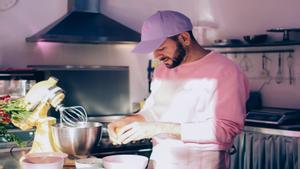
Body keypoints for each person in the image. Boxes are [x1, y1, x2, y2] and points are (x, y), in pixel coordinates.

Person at [108, 10, 249, 169]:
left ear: (184, 38)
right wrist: (129, 120)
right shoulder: (162, 70)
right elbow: (153, 111)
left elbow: (225, 129)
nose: (156, 56)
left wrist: (158, 127)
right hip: (159, 162)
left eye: (161, 47)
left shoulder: (225, 71)